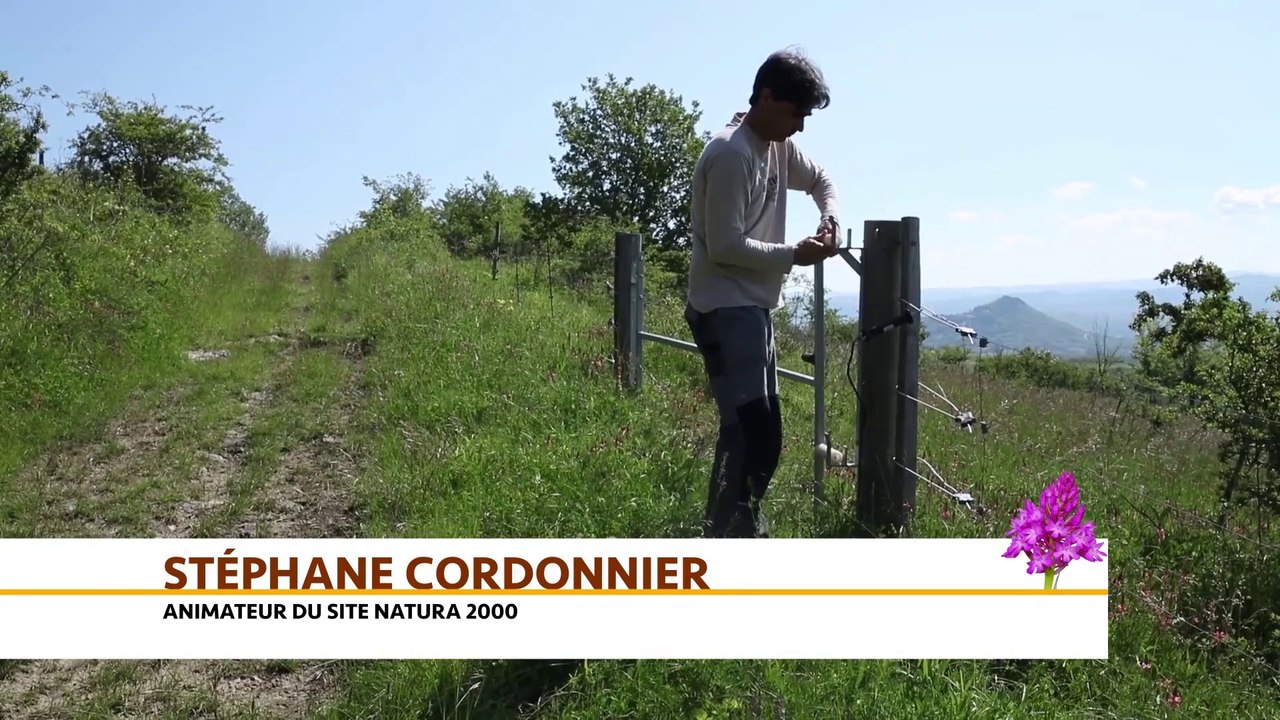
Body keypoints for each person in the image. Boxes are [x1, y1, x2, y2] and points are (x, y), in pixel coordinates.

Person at [684, 48, 841, 538]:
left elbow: (821, 180)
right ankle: (728, 533)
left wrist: (829, 219)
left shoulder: (775, 146)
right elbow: (725, 246)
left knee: (761, 433)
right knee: (750, 431)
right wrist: (796, 254)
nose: (799, 126)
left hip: (752, 307)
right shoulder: (731, 153)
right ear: (767, 97)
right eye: (796, 113)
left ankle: (734, 525)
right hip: (724, 306)